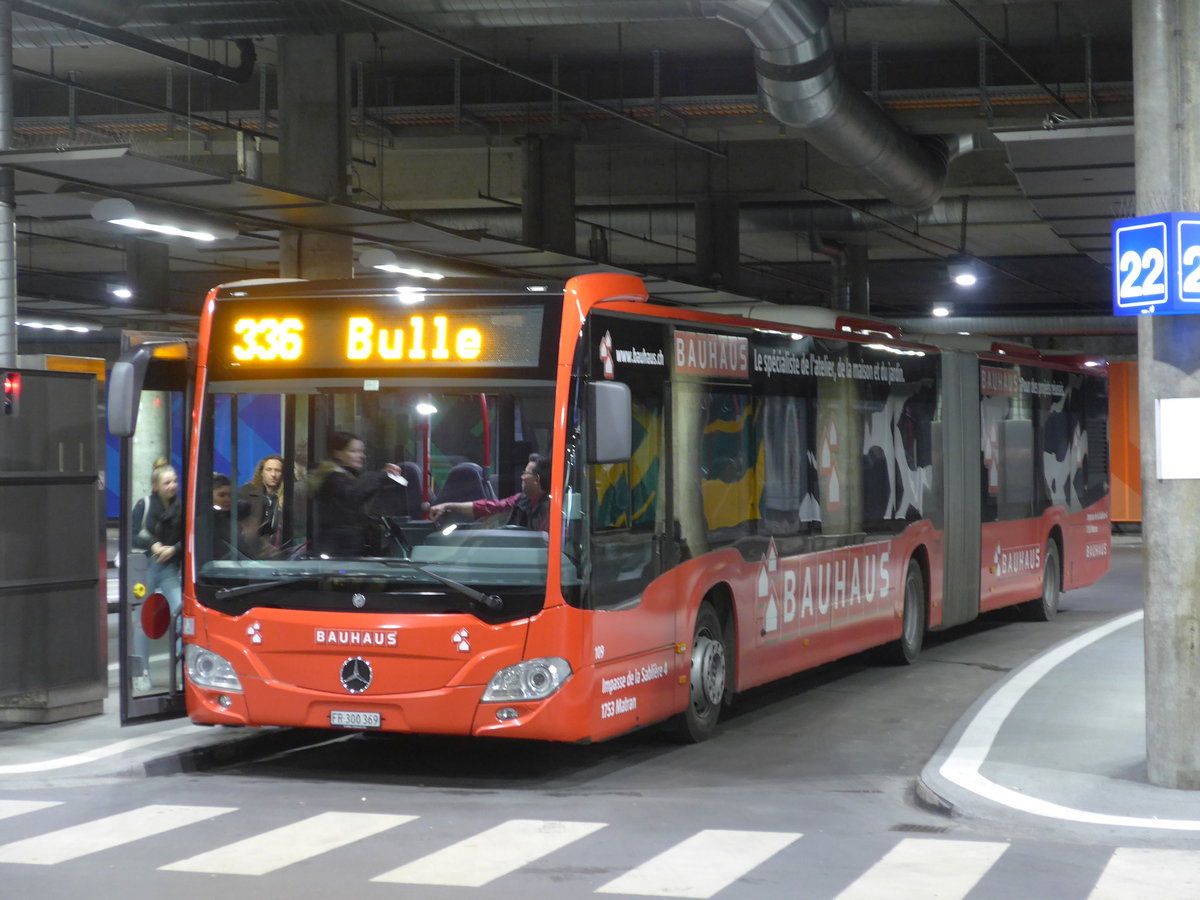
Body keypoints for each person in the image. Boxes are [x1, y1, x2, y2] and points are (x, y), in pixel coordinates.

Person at [129, 458, 183, 692]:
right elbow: (132, 534)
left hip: (169, 567)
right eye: (167, 482)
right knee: (143, 619)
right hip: (146, 567)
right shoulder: (145, 505)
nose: (173, 486)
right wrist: (155, 545)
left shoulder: (182, 507)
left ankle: (184, 670)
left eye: (175, 481)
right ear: (156, 486)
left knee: (181, 612)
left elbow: (189, 534)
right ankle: (142, 671)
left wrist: (174, 549)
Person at [309, 431, 406, 557]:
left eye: (361, 451)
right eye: (354, 451)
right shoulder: (332, 477)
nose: (361, 456)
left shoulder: (346, 476)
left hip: (346, 548)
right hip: (338, 552)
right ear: (338, 453)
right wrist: (380, 477)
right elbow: (354, 497)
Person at [429, 453, 551, 531]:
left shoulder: (551, 511)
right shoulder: (520, 501)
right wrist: (448, 505)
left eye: (526, 473)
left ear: (536, 480)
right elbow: (489, 507)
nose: (522, 477)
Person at [239, 454, 285, 550]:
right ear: (261, 472)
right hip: (249, 549)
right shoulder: (244, 493)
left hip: (280, 548)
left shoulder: (290, 495)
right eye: (269, 469)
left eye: (278, 470)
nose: (273, 474)